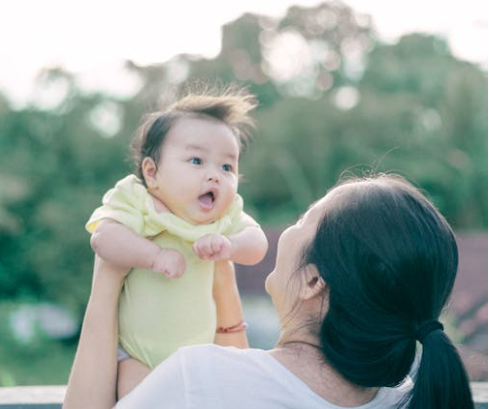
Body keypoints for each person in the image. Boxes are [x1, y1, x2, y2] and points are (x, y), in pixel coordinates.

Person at [64, 173, 474, 409]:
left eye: (304, 219)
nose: (291, 230)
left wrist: (108, 272)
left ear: (314, 281)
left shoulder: (198, 381)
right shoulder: (405, 396)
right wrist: (222, 280)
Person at [84, 86, 268, 397]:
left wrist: (230, 246)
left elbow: (257, 244)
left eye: (227, 167)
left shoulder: (222, 219)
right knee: (136, 395)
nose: (215, 176)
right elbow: (104, 238)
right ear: (152, 173)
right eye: (197, 161)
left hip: (200, 356)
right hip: (137, 356)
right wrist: (152, 255)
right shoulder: (139, 202)